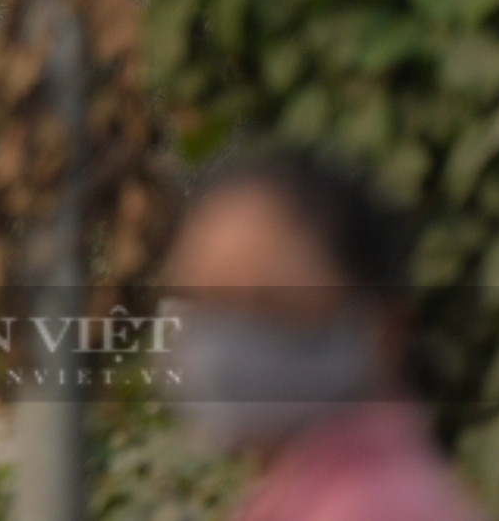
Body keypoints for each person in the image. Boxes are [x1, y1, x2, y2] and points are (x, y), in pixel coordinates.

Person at [165, 149, 481, 521]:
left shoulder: (374, 507)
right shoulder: (301, 494)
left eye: (269, 305)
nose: (227, 338)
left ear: (384, 328)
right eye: (204, 303)